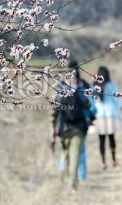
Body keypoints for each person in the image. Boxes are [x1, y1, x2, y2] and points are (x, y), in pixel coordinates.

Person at [51, 61, 92, 192]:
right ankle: (72, 184)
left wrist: (52, 129)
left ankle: (66, 176)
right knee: (76, 155)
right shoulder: (82, 85)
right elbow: (89, 106)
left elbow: (54, 111)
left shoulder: (59, 86)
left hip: (63, 127)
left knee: (66, 154)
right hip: (79, 127)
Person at [93, 66, 122, 170]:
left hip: (99, 115)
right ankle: (114, 159)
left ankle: (103, 162)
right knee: (111, 138)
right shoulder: (112, 85)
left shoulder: (94, 85)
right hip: (111, 113)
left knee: (101, 140)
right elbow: (116, 100)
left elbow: (92, 101)